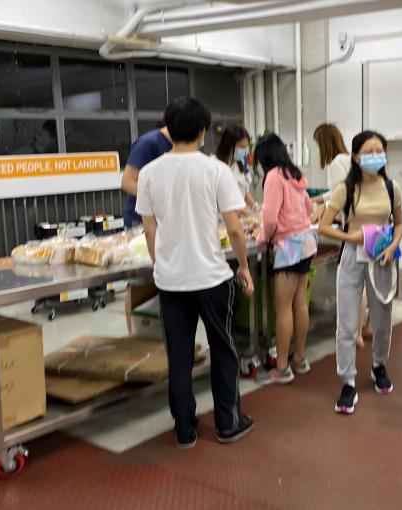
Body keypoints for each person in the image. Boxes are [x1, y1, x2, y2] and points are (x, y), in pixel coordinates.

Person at [136, 97, 256, 448]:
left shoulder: (149, 173)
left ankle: (185, 430)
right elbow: (234, 229)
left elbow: (149, 230)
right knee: (223, 349)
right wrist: (244, 267)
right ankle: (228, 423)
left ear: (168, 130)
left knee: (179, 356)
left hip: (171, 282)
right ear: (203, 131)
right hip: (212, 278)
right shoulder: (215, 170)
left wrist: (163, 265)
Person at [318, 130, 402, 415]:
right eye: (368, 152)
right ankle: (348, 381)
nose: (374, 156)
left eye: (379, 150)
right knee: (347, 320)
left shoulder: (392, 188)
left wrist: (393, 246)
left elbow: (400, 223)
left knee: (382, 317)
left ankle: (379, 365)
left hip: (381, 256)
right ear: (356, 157)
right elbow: (324, 226)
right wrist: (350, 237)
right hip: (353, 256)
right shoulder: (345, 189)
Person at [253, 133, 317, 385]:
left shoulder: (273, 176)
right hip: (306, 243)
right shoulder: (295, 173)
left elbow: (269, 219)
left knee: (282, 309)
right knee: (299, 303)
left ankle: (281, 367)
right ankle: (299, 358)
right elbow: (309, 208)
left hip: (288, 246)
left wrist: (262, 238)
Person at [312, 123, 372, 348]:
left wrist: (322, 204)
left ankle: (354, 332)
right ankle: (367, 327)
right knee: (368, 282)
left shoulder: (337, 161)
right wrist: (322, 200)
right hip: (364, 223)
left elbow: (340, 193)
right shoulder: (347, 159)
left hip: (352, 225)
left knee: (356, 284)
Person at [121, 121, 173, 229]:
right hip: (140, 220)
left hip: (165, 219)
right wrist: (161, 199)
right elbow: (127, 183)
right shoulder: (147, 143)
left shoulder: (178, 145)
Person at [216, 125, 258, 212]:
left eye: (246, 147)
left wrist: (255, 206)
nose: (244, 151)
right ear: (229, 145)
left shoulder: (243, 163)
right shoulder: (215, 166)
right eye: (241, 147)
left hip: (241, 215)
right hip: (221, 217)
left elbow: (245, 192)